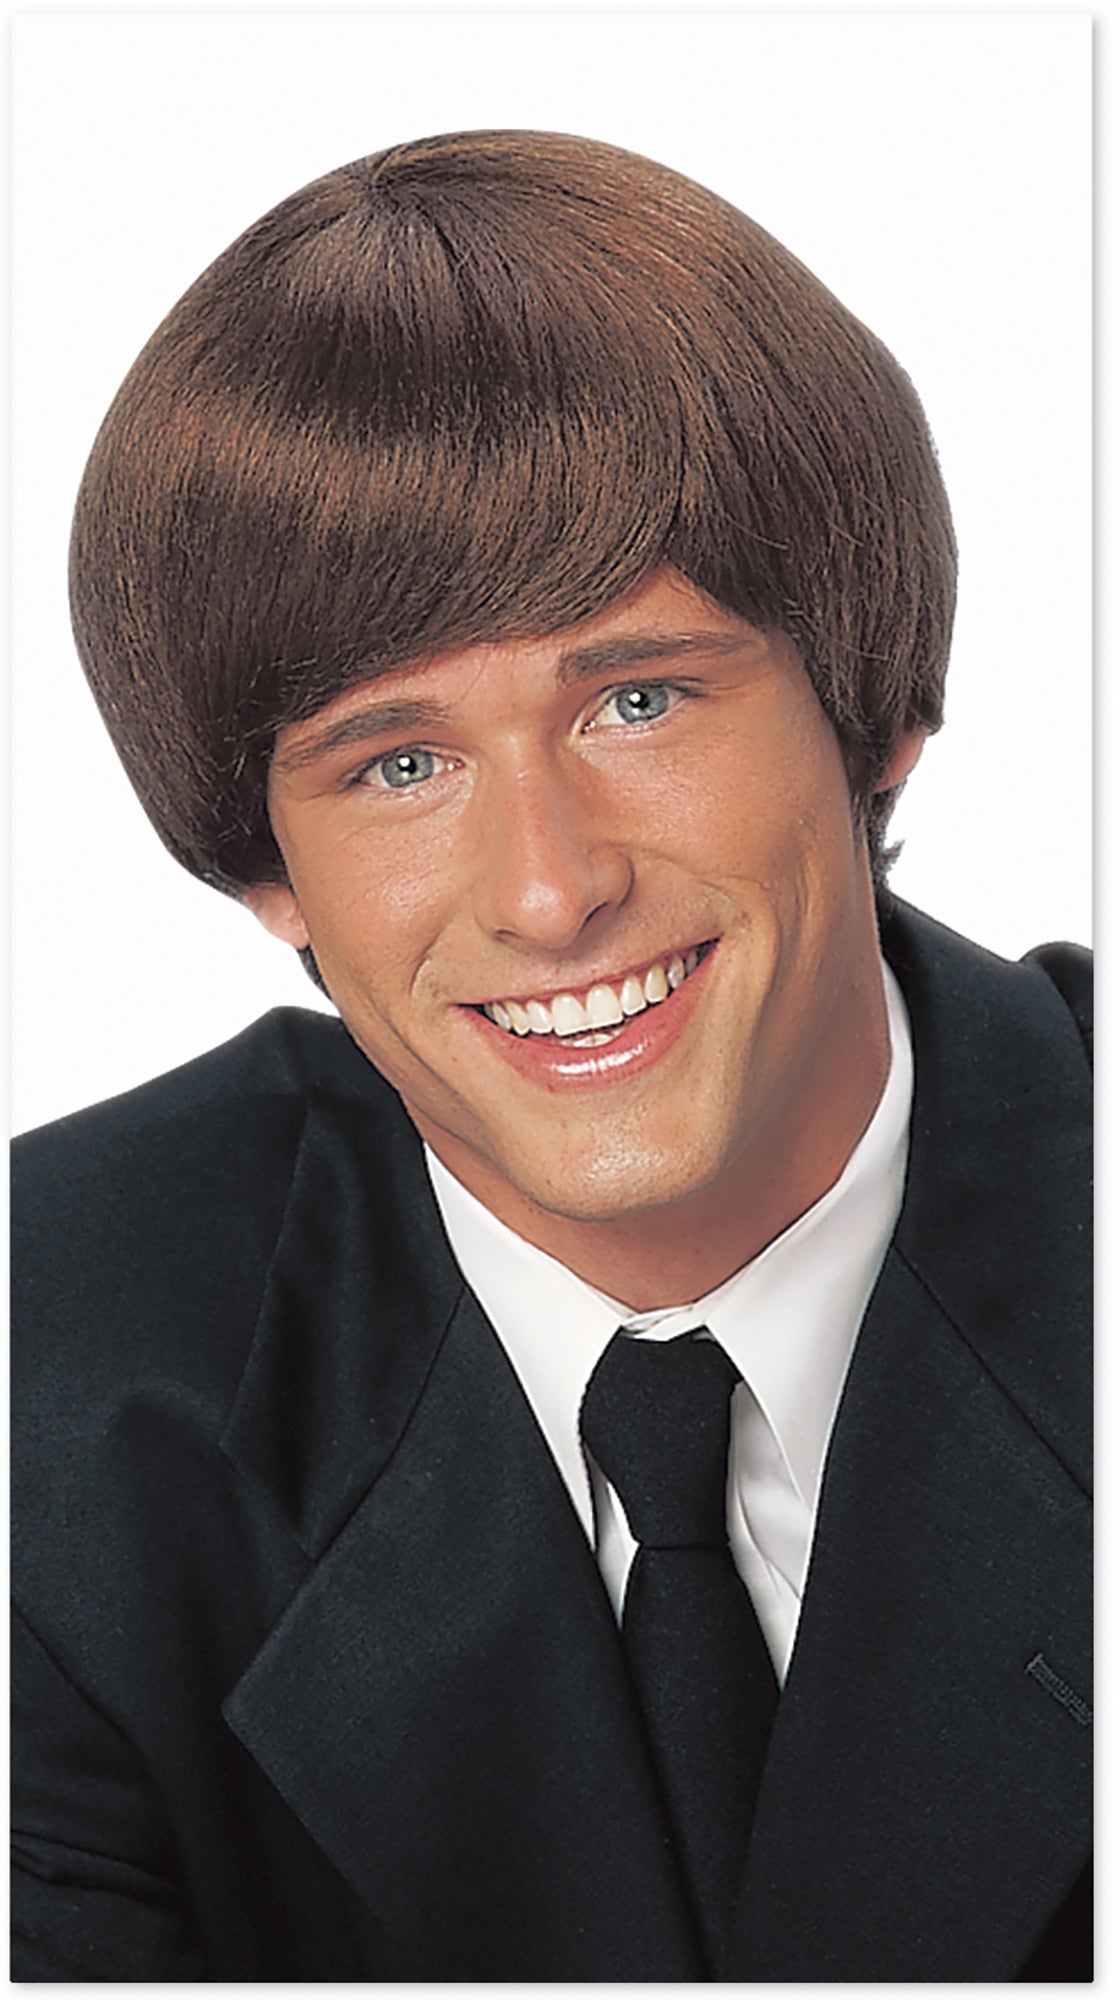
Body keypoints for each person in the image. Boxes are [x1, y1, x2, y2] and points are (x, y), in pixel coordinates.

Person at [10, 130, 1091, 1982]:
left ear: (874, 713)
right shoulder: (44, 1378)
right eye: (397, 764)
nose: (547, 890)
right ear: (268, 870)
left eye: (638, 699)